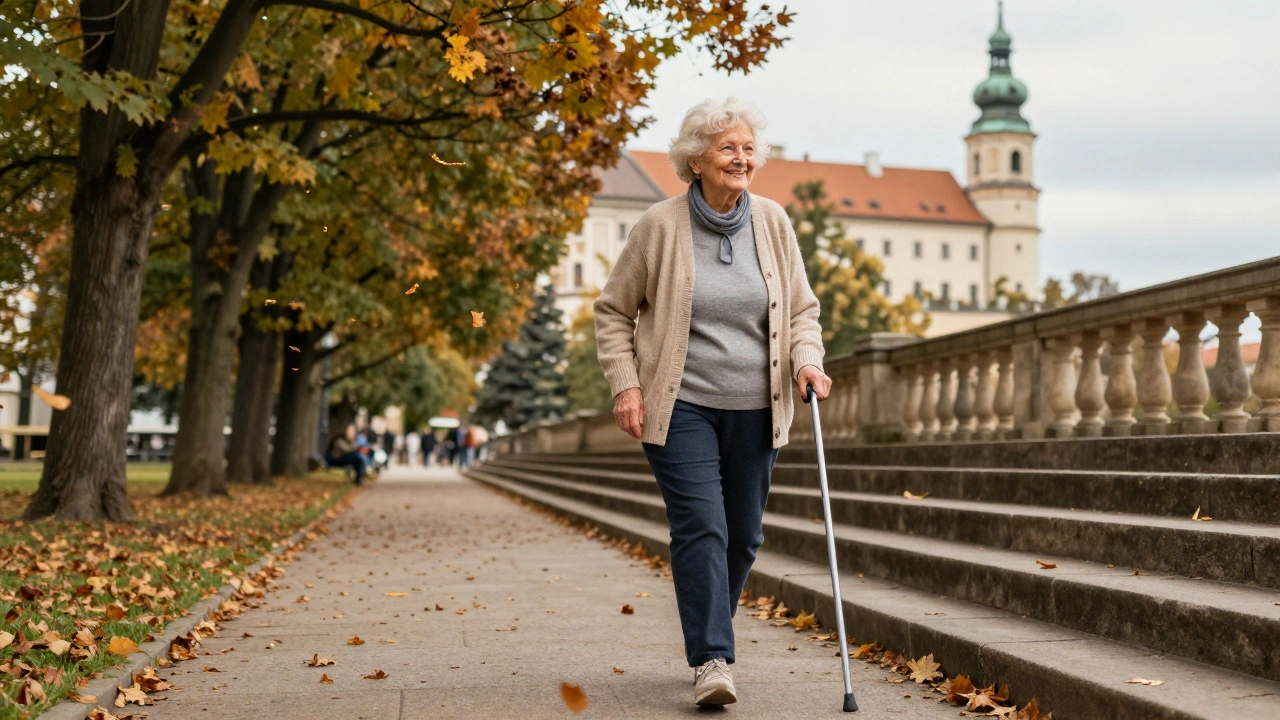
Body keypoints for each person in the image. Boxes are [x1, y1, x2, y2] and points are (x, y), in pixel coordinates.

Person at [594, 97, 832, 708]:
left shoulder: (774, 222)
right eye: (729, 147)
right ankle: (712, 658)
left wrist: (808, 359)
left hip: (758, 405)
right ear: (695, 159)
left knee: (744, 536)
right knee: (702, 526)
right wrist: (626, 383)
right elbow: (614, 311)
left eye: (749, 148)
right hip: (682, 405)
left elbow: (802, 309)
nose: (742, 157)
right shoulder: (660, 226)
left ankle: (710, 633)